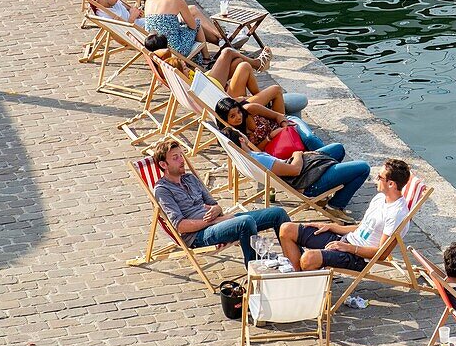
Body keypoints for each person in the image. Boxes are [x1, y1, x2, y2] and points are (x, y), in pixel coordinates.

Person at [151, 138, 289, 265]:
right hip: (199, 236)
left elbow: (215, 205)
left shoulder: (190, 178)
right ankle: (254, 272)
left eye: (181, 155)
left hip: (220, 221)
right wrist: (212, 221)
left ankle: (295, 262)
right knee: (246, 222)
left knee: (278, 213)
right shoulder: (163, 190)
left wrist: (216, 211)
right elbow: (180, 226)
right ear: (163, 164)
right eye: (175, 158)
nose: (182, 160)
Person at [278, 158, 412, 272]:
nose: (376, 179)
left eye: (380, 177)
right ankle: (297, 279)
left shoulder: (397, 214)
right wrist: (331, 226)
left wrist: (348, 248)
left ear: (391, 184)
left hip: (358, 257)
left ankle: (302, 284)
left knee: (309, 258)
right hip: (346, 240)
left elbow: (381, 253)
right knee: (287, 229)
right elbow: (361, 228)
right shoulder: (380, 198)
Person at [237, 132, 371, 213]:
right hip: (308, 182)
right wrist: (298, 154)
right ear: (241, 139)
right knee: (363, 168)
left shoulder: (247, 157)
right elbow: (295, 170)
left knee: (338, 148)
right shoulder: (258, 158)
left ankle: (327, 192)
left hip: (305, 171)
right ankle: (335, 206)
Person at [142, 32, 279, 107]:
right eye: (184, 66)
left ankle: (261, 99)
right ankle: (258, 65)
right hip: (210, 90)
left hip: (207, 82)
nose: (185, 65)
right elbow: (165, 50)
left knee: (237, 62)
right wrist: (156, 53)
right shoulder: (174, 71)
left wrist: (152, 54)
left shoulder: (169, 70)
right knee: (228, 53)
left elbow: (163, 52)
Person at [143, 0, 227, 59]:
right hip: (175, 49)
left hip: (155, 47)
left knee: (188, 21)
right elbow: (193, 26)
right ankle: (207, 56)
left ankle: (220, 39)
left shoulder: (148, 2)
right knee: (197, 24)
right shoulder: (177, 1)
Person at [215, 96, 323, 150]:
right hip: (278, 144)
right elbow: (258, 152)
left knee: (309, 138)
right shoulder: (234, 135)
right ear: (225, 119)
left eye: (238, 112)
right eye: (232, 116)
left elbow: (277, 115)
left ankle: (332, 164)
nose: (239, 117)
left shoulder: (250, 110)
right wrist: (270, 137)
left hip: (286, 125)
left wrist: (285, 127)